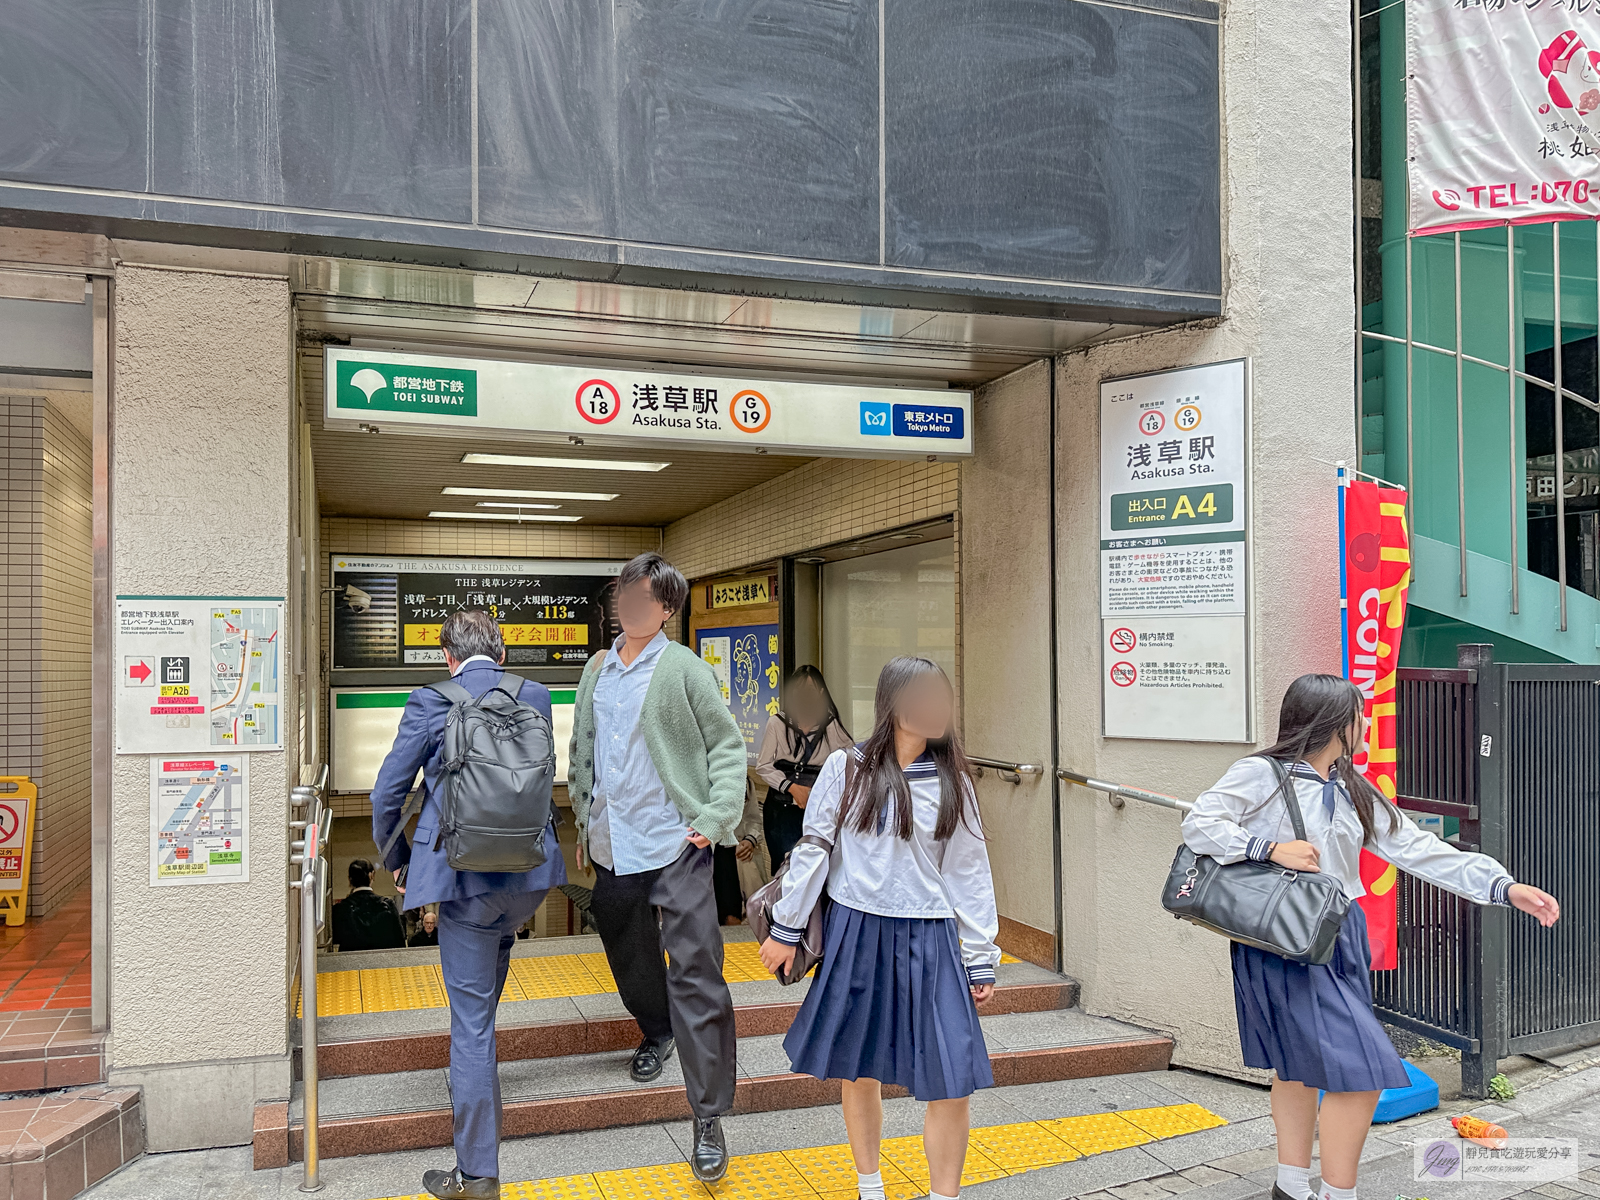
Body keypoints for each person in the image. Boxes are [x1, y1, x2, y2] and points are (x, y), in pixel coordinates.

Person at [1181, 674, 1561, 1200]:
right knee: (1357, 1072)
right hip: (1284, 940)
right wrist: (1267, 848)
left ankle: (1290, 1188)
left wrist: (1504, 886)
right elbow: (1200, 823)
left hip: (1339, 935)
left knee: (1303, 1066)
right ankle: (1335, 1194)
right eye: (1361, 715)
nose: (1367, 724)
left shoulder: (1352, 788)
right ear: (1336, 722)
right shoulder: (1260, 774)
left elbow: (1420, 850)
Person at [759, 656, 998, 1200]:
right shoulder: (847, 769)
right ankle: (870, 1187)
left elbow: (970, 871)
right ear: (893, 704)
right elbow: (814, 847)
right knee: (858, 1067)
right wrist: (786, 928)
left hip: (932, 938)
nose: (937, 708)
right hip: (858, 931)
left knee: (952, 1075)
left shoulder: (954, 781)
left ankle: (943, 1195)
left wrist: (979, 951)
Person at [371, 609, 567, 1200]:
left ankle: (477, 1174)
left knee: (472, 1028)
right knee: (485, 993)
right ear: (500, 653)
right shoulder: (533, 693)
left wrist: (399, 856)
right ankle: (475, 1115)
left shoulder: (431, 699)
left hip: (464, 883)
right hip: (530, 880)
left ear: (448, 656)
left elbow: (388, 791)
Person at [568, 552, 747, 1183]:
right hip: (614, 844)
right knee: (626, 946)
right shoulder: (597, 669)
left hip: (677, 844)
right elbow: (583, 744)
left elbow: (728, 746)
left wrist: (715, 817)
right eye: (622, 597)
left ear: (666, 608)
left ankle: (708, 1116)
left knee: (697, 973)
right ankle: (656, 1027)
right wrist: (579, 801)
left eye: (640, 599)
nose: (627, 607)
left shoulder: (684, 670)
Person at [755, 666, 852, 872]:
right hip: (781, 810)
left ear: (821, 693)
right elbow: (763, 766)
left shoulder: (831, 725)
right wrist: (792, 788)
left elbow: (848, 761)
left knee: (816, 868)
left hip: (819, 811)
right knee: (785, 869)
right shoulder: (777, 723)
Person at [713, 779, 767, 925]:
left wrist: (750, 840)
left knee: (734, 918)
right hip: (704, 854)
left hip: (735, 853)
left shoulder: (745, 780)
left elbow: (753, 818)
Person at [330, 859, 406, 952]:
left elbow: (335, 938)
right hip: (383, 962)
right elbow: (399, 941)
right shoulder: (387, 905)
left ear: (349, 879)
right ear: (372, 875)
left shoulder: (340, 909)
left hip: (350, 963)